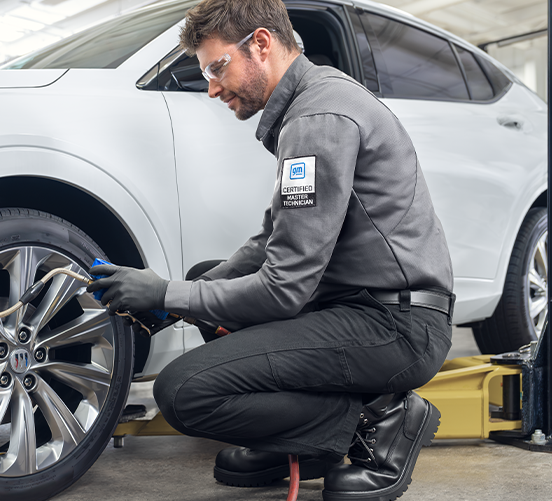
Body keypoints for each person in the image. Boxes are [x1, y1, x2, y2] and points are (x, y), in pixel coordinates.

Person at [86, 0, 454, 499]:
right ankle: (304, 439)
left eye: (218, 67)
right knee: (206, 274)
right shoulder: (310, 105)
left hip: (394, 326)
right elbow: (269, 242)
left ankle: (378, 418)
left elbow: (283, 290)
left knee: (183, 392)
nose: (212, 87)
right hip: (356, 307)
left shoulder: (318, 118)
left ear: (260, 44)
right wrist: (175, 297)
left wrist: (169, 292)